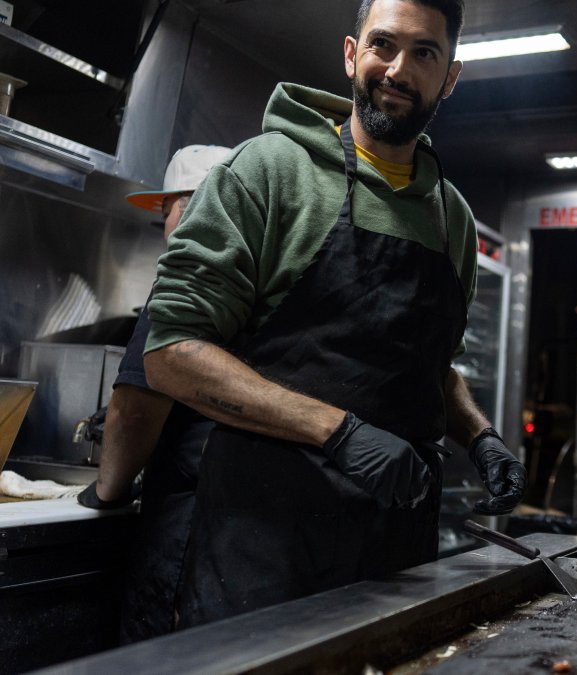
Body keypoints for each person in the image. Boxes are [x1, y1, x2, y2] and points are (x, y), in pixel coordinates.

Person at [142, 0, 526, 628]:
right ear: (352, 54)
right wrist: (337, 430)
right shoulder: (269, 172)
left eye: (425, 53)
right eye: (384, 45)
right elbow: (172, 355)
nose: (399, 69)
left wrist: (480, 437)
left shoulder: (448, 215)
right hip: (262, 554)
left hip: (396, 555)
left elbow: (431, 366)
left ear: (449, 77)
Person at [75, 144, 231, 643]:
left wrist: (108, 491)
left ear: (188, 207)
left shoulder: (189, 278)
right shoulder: (264, 279)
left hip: (183, 532)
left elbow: (135, 413)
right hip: (241, 538)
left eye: (167, 211)